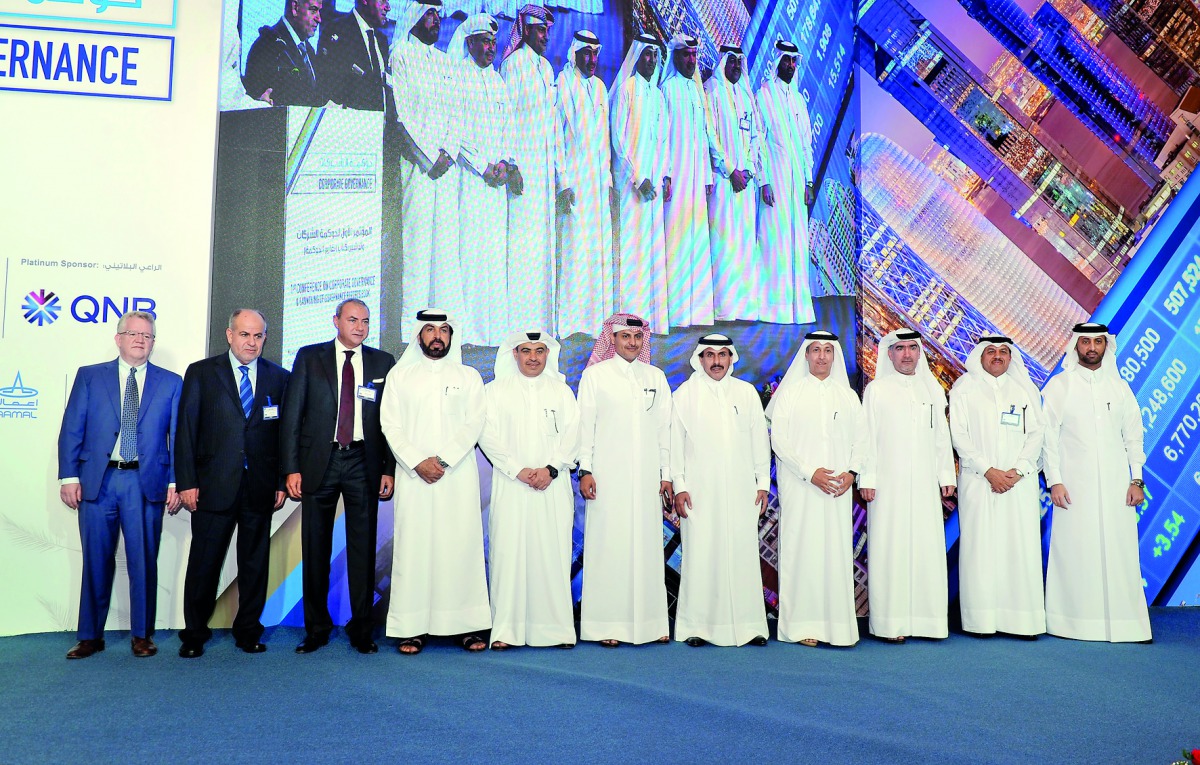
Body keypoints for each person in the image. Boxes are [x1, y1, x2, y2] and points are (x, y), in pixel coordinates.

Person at [57, 311, 182, 659]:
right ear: (118, 338)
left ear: (153, 342)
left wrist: (175, 481)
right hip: (99, 481)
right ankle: (89, 636)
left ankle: (142, 634)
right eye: (133, 333)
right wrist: (69, 476)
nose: (140, 339)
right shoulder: (90, 377)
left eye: (147, 335)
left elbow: (179, 438)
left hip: (146, 482)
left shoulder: (171, 383)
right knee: (96, 560)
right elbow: (71, 429)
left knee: (144, 561)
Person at [280, 298, 396, 654]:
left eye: (364, 320)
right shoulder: (309, 357)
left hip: (364, 461)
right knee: (315, 547)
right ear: (336, 321)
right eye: (352, 319)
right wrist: (291, 467)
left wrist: (388, 468)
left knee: (363, 548)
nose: (359, 327)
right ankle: (316, 628)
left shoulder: (382, 362)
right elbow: (291, 416)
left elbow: (392, 421)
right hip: (321, 462)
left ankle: (361, 628)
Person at [175, 309, 290, 658]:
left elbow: (284, 436)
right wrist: (187, 482)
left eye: (258, 336)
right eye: (244, 335)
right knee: (204, 564)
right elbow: (186, 432)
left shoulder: (279, 377)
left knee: (254, 565)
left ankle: (248, 632)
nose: (251, 342)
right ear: (229, 335)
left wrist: (282, 481)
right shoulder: (201, 373)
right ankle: (194, 633)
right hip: (211, 486)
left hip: (260, 487)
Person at [378, 310, 491, 655]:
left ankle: (466, 626)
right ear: (419, 335)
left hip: (456, 475)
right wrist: (417, 461)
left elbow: (475, 423)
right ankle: (411, 628)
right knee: (415, 550)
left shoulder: (468, 375)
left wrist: (441, 461)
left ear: (451, 336)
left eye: (444, 330)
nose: (437, 336)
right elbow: (390, 424)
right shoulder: (400, 376)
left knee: (461, 548)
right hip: (414, 477)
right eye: (430, 329)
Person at [1042, 323, 1151, 643]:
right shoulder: (1059, 387)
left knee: (1121, 553)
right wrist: (1055, 481)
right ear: (1075, 345)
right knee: (1075, 552)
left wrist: (1137, 481)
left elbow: (1134, 438)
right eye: (1085, 341)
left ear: (1107, 346)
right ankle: (1070, 624)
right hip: (1074, 489)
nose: (1091, 347)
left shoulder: (1120, 388)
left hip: (1118, 489)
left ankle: (1127, 625)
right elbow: (1048, 438)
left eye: (1098, 342)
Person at [478, 331, 580, 649]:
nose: (533, 357)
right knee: (508, 555)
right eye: (526, 351)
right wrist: (518, 469)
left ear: (548, 355)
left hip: (553, 484)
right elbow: (487, 435)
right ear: (515, 355)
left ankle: (556, 631)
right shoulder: (493, 392)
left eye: (539, 351)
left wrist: (550, 468)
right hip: (511, 484)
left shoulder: (562, 392)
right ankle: (506, 631)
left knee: (552, 554)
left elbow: (573, 434)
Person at [766, 330, 868, 647]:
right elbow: (779, 441)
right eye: (815, 350)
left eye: (827, 350)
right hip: (802, 487)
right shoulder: (789, 394)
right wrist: (810, 473)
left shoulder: (847, 396)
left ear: (833, 355)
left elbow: (862, 440)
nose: (822, 356)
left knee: (835, 554)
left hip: (837, 489)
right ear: (806, 355)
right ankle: (801, 627)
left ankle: (838, 628)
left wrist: (851, 472)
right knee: (802, 552)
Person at [577, 314, 672, 647]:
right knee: (609, 547)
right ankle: (606, 626)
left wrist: (667, 474)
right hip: (607, 478)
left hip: (647, 480)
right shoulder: (595, 376)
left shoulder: (656, 377)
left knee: (647, 547)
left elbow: (665, 431)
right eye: (625, 337)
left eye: (636, 337)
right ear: (612, 339)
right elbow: (585, 427)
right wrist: (585, 469)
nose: (632, 342)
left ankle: (651, 624)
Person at [670, 334, 770, 647]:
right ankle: (697, 627)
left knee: (742, 554)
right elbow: (675, 445)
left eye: (723, 355)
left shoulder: (746, 392)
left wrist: (763, 484)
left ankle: (750, 626)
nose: (716, 361)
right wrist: (680, 486)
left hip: (742, 491)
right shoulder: (685, 394)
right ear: (700, 359)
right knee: (701, 554)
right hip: (699, 491)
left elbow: (759, 443)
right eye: (710, 355)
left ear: (731, 358)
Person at [858, 330, 956, 643]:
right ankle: (890, 624)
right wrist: (868, 479)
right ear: (889, 353)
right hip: (888, 486)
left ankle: (927, 623)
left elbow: (942, 437)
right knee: (891, 549)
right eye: (899, 348)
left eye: (912, 348)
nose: (907, 354)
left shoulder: (933, 389)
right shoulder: (876, 390)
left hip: (926, 486)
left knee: (926, 549)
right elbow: (867, 438)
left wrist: (946, 477)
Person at [949, 336, 1047, 639]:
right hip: (979, 483)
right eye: (991, 351)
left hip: (1018, 483)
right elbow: (959, 436)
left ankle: (1021, 622)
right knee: (981, 548)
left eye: (1004, 352)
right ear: (980, 355)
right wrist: (989, 471)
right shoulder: (964, 389)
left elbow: (1037, 435)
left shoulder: (1025, 389)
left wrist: (1016, 472)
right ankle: (981, 621)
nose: (997, 356)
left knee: (1019, 547)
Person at [389, 0, 465, 340]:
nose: (436, 21)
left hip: (444, 168)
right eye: (430, 14)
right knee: (417, 247)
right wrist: (429, 157)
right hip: (418, 169)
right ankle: (411, 331)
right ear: (416, 16)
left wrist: (447, 152)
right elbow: (401, 115)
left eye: (438, 14)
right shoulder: (401, 54)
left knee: (444, 248)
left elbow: (456, 113)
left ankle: (442, 329)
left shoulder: (445, 61)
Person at [449, 14, 516, 346]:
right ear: (469, 43)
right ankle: (470, 332)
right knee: (470, 253)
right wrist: (483, 166)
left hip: (496, 183)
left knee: (493, 254)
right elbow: (456, 133)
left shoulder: (499, 81)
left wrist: (504, 161)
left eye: (493, 42)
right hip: (471, 180)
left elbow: (508, 129)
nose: (490, 48)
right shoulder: (459, 77)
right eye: (484, 42)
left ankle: (493, 331)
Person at [659, 35, 727, 328]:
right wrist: (666, 174)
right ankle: (676, 312)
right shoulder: (667, 89)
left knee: (697, 242)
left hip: (698, 178)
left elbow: (705, 134)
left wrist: (710, 173)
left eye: (693, 56)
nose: (690, 60)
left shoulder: (698, 90)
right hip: (677, 178)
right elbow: (661, 137)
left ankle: (697, 314)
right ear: (675, 58)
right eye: (685, 55)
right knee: (676, 241)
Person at [500, 6, 559, 334]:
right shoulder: (513, 65)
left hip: (543, 173)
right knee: (522, 246)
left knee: (542, 245)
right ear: (526, 31)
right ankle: (519, 322)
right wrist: (512, 164)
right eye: (539, 31)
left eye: (547, 31)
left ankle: (540, 320)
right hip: (523, 171)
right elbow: (506, 119)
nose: (545, 36)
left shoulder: (547, 69)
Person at [554, 30, 614, 339]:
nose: (591, 60)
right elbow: (557, 137)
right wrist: (562, 181)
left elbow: (604, 140)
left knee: (595, 251)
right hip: (575, 183)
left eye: (595, 54)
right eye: (586, 54)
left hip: (596, 184)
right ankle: (570, 324)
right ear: (575, 53)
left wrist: (607, 180)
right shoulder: (563, 82)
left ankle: (593, 323)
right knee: (574, 249)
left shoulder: (601, 88)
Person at [610, 33, 670, 333]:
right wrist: (638, 178)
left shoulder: (659, 97)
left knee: (651, 249)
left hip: (653, 187)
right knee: (631, 248)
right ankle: (628, 316)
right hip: (632, 185)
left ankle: (650, 317)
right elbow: (618, 141)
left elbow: (663, 141)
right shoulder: (626, 90)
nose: (651, 60)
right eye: (646, 54)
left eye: (655, 56)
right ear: (637, 57)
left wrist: (659, 176)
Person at [755, 40, 815, 325]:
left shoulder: (798, 99)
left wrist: (809, 181)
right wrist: (764, 180)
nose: (791, 66)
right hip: (775, 181)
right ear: (777, 61)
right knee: (774, 242)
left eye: (794, 61)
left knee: (796, 244)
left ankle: (798, 309)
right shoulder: (764, 95)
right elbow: (760, 141)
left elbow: (805, 145)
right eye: (787, 60)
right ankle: (773, 310)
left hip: (797, 185)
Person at [705, 44, 767, 322]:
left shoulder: (746, 95)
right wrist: (731, 170)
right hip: (723, 180)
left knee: (743, 243)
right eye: (731, 62)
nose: (736, 67)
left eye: (739, 63)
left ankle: (744, 307)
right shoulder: (712, 90)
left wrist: (750, 168)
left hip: (745, 182)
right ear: (723, 63)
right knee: (724, 243)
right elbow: (711, 136)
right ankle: (724, 308)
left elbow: (756, 136)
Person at [243, 0, 328, 107]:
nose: (319, 19)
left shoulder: (309, 50)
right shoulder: (268, 45)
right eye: (313, 10)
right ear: (295, 7)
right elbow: (257, 100)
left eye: (319, 12)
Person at [320, 0, 393, 112]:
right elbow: (331, 91)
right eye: (383, 0)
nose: (388, 7)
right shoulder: (337, 30)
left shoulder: (381, 40)